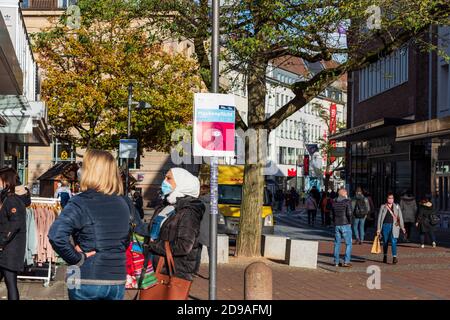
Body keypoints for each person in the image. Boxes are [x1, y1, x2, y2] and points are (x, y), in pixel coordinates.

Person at [48, 149, 142, 300]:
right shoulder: (125, 202)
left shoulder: (80, 201)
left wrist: (76, 258)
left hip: (83, 275)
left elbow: (56, 235)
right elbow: (129, 238)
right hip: (117, 278)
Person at [145, 168, 205, 286]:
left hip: (173, 272)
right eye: (165, 177)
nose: (164, 181)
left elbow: (184, 246)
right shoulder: (166, 206)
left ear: (181, 183)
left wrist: (153, 245)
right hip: (155, 267)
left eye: (169, 178)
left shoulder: (188, 212)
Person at [0, 168, 30, 300]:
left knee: (11, 283)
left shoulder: (12, 200)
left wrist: (2, 241)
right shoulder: (9, 198)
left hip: (10, 250)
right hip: (7, 249)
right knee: (10, 282)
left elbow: (15, 224)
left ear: (6, 181)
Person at [377, 192, 406, 264]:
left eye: (392, 198)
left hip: (395, 226)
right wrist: (378, 229)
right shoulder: (383, 206)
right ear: (387, 199)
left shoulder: (397, 206)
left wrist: (402, 227)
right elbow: (379, 218)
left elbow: (400, 217)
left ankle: (394, 257)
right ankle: (385, 255)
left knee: (394, 241)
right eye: (389, 198)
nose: (391, 200)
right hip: (385, 226)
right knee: (385, 242)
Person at [331, 187, 353, 267]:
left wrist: (335, 222)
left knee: (337, 243)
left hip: (337, 225)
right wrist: (350, 222)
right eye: (346, 193)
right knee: (348, 243)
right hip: (345, 224)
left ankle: (336, 262)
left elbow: (332, 214)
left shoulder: (334, 202)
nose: (347, 194)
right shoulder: (347, 202)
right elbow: (349, 213)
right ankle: (346, 261)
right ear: (344, 194)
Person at [194, 185, 210, 276]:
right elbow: (219, 216)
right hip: (210, 231)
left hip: (199, 230)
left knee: (197, 253)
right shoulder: (214, 204)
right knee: (211, 254)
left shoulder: (198, 203)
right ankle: (212, 273)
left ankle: (195, 271)